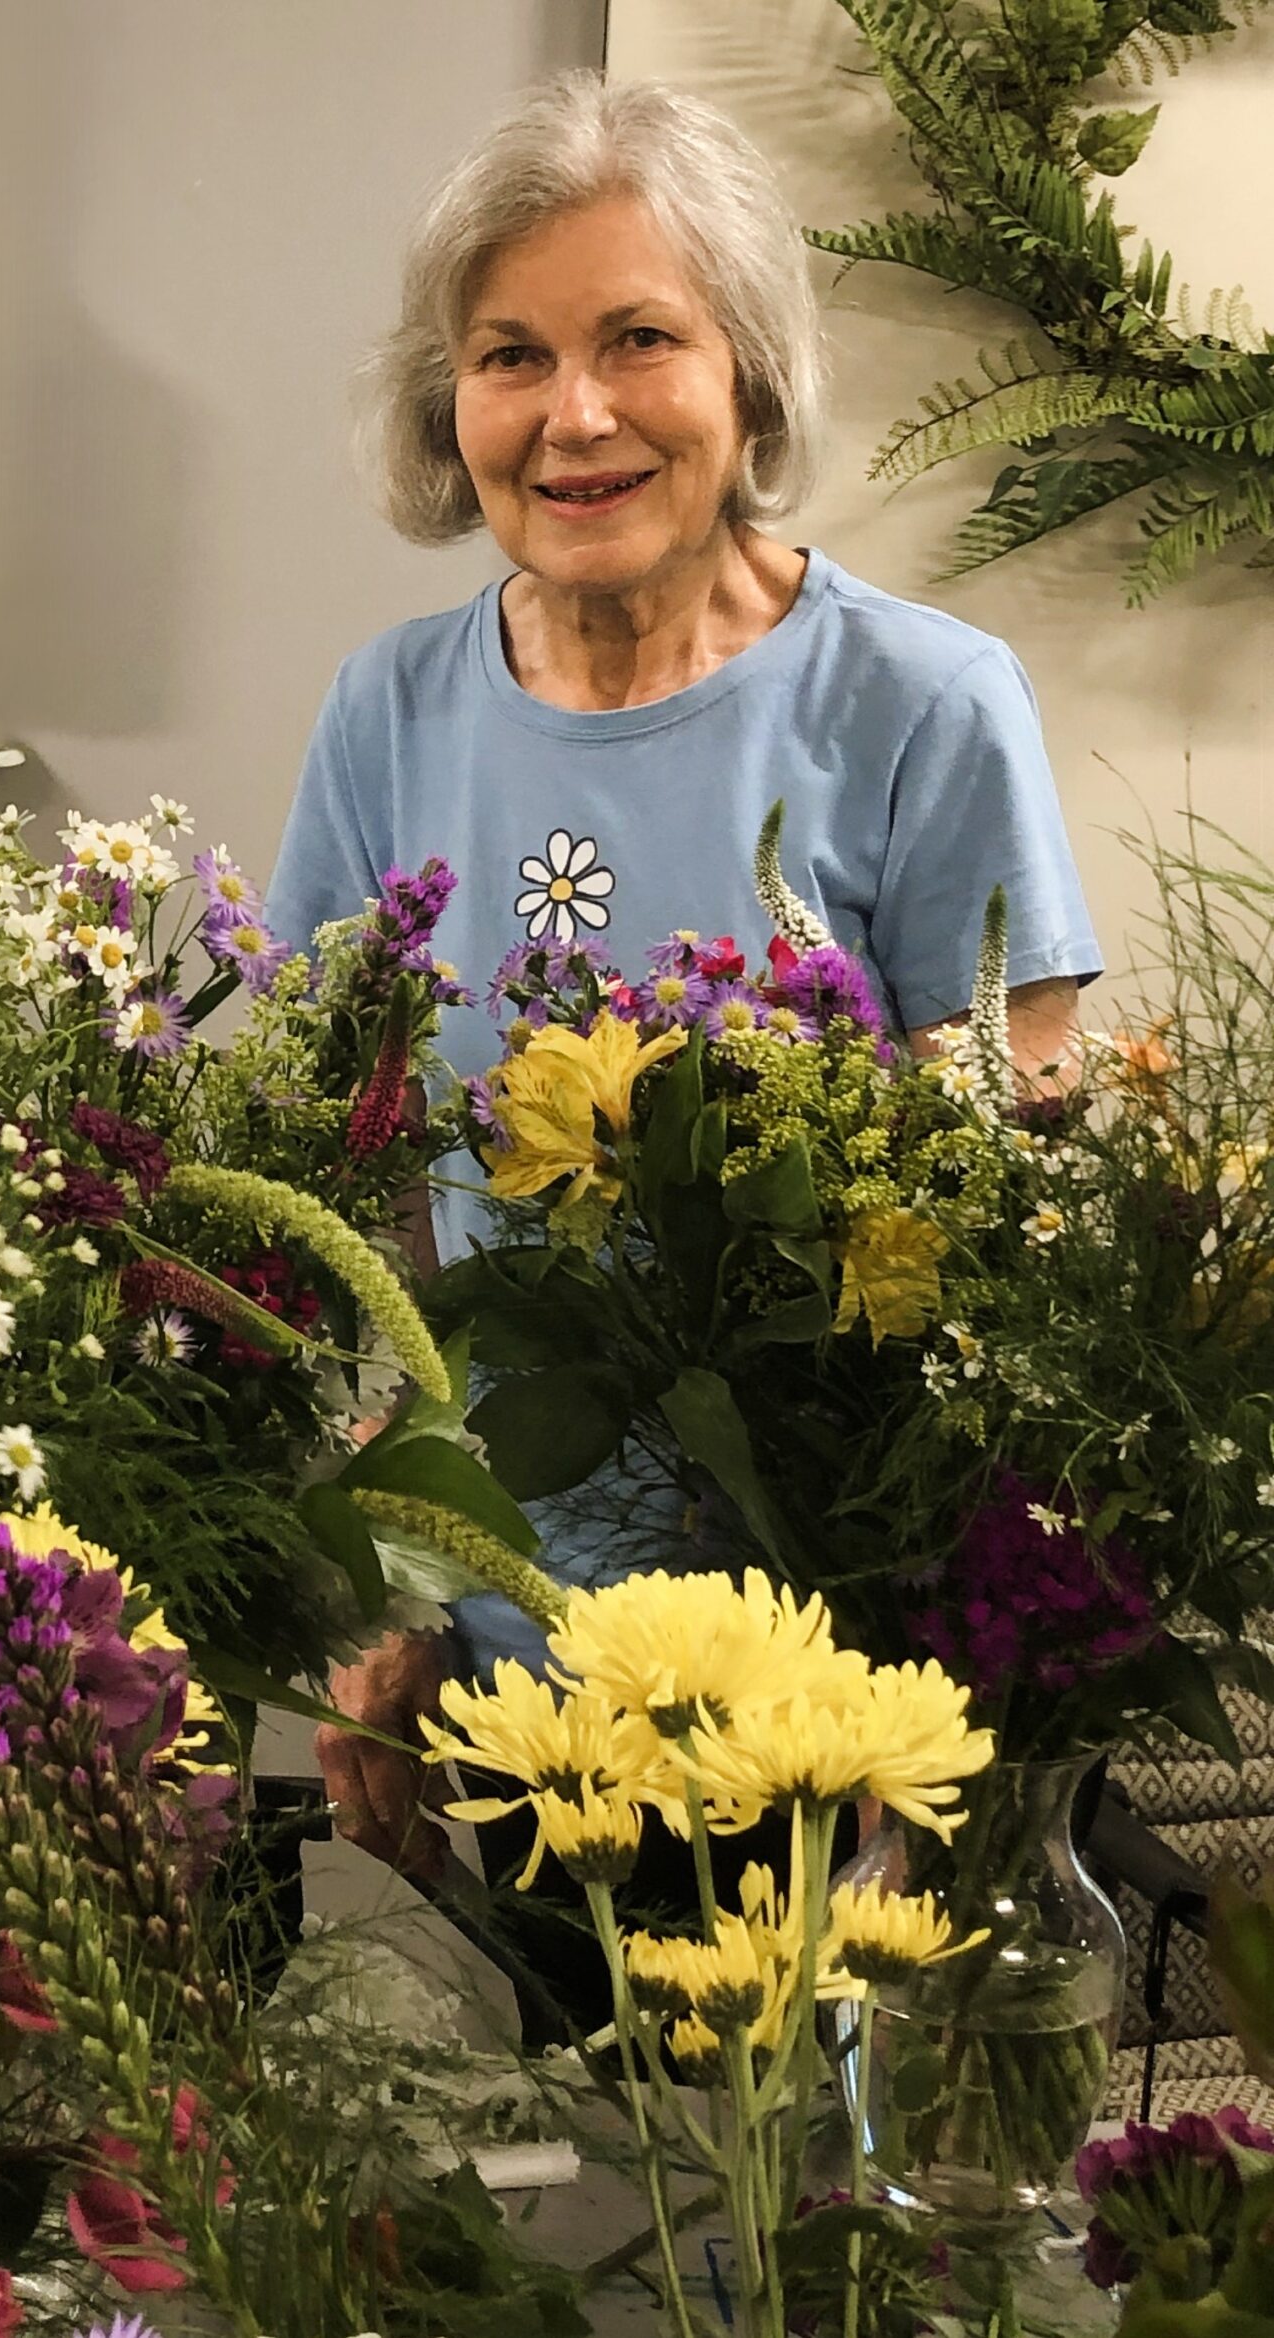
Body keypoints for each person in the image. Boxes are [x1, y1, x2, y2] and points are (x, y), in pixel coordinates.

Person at [264, 76, 1101, 1904]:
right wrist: (378, 1598)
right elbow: (356, 1215)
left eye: (640, 338)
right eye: (510, 355)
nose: (576, 415)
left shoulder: (926, 709)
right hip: (511, 1685)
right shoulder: (386, 715)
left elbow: (1031, 1276)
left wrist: (942, 1702)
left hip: (845, 1694)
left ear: (748, 376)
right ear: (450, 405)